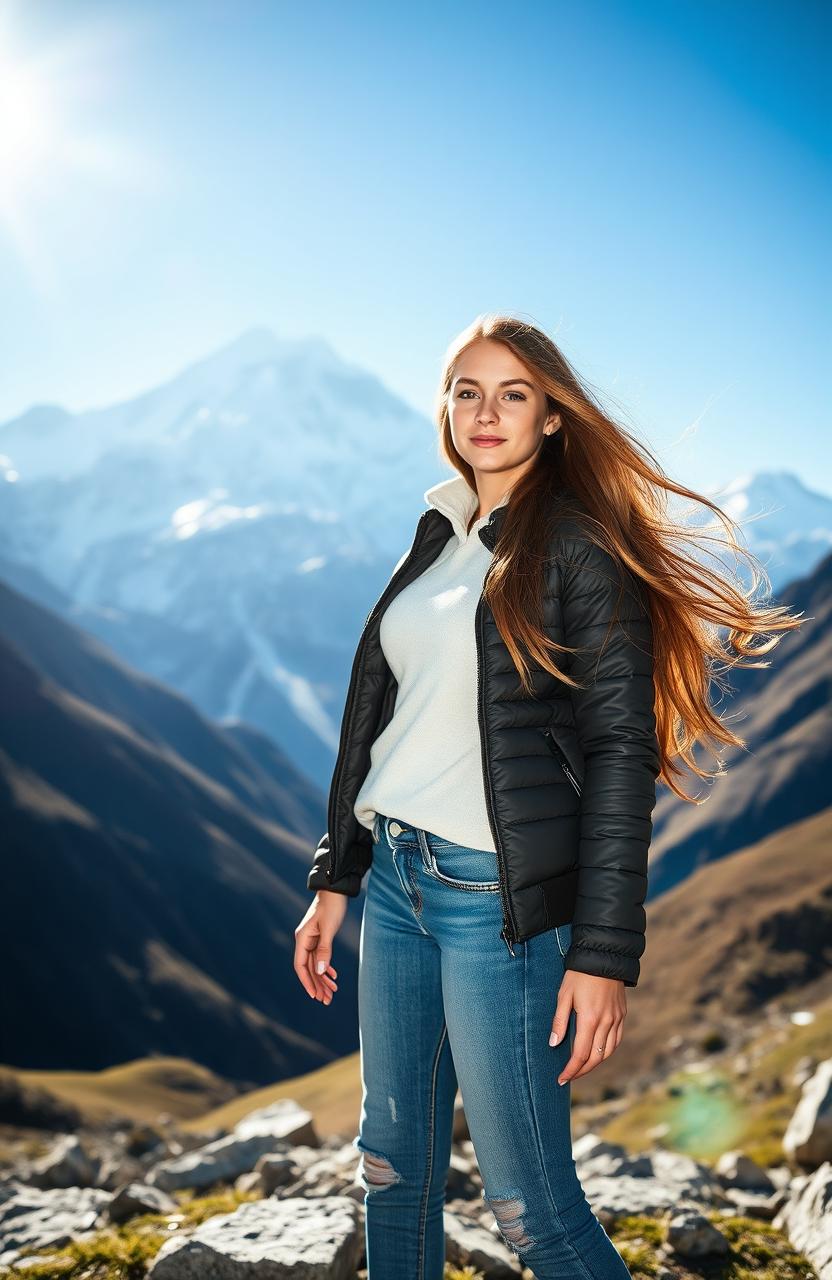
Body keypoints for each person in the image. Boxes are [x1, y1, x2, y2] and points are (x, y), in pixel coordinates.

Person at [293, 314, 803, 1279]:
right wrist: (336, 879)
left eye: (513, 394)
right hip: (397, 880)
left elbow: (620, 753)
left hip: (498, 902)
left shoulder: (577, 546)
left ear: (554, 416)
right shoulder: (444, 529)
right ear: (444, 406)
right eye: (467, 391)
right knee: (391, 1170)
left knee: (531, 1205)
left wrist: (604, 953)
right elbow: (381, 719)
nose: (486, 413)